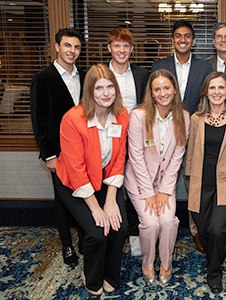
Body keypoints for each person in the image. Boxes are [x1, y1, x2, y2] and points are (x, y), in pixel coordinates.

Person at [53, 64, 129, 295]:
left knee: (119, 226)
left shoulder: (122, 115)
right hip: (73, 183)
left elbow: (119, 158)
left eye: (110, 87)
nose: (105, 93)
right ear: (89, 91)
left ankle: (111, 273)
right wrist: (96, 208)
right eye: (98, 88)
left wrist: (111, 200)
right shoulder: (72, 119)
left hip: (105, 179)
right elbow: (76, 169)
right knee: (97, 231)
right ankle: (92, 276)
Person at [186, 71, 226, 294]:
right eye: (212, 88)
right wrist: (188, 177)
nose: (216, 92)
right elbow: (191, 152)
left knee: (217, 229)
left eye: (221, 88)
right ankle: (216, 256)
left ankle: (214, 273)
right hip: (200, 181)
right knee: (203, 227)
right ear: (206, 92)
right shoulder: (196, 119)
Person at [151, 20, 213, 252]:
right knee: (161, 178)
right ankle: (161, 227)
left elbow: (208, 101)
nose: (183, 40)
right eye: (178, 36)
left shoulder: (205, 68)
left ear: (194, 41)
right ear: (173, 39)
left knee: (192, 182)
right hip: (164, 133)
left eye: (187, 36)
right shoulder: (160, 65)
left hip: (195, 133)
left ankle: (195, 231)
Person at [124, 69, 190, 285]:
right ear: (151, 93)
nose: (163, 93)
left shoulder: (183, 116)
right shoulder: (138, 115)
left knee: (169, 222)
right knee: (151, 223)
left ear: (174, 90)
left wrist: (163, 190)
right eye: (157, 89)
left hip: (165, 183)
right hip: (139, 181)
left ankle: (166, 263)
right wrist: (149, 193)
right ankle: (148, 262)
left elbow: (178, 157)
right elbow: (135, 157)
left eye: (166, 88)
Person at [30, 27, 86, 267]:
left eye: (76, 47)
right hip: (58, 151)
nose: (72, 51)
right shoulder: (42, 78)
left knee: (85, 194)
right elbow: (38, 120)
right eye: (67, 46)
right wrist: (49, 155)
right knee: (62, 199)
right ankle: (67, 246)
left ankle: (85, 240)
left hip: (84, 148)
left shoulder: (85, 76)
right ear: (57, 47)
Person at [107, 27, 150, 257]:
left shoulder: (142, 74)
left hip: (135, 139)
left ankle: (134, 234)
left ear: (131, 49)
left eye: (125, 46)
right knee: (109, 188)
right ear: (109, 48)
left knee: (135, 187)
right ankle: (111, 234)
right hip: (106, 139)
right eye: (117, 45)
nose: (121, 50)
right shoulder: (99, 73)